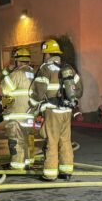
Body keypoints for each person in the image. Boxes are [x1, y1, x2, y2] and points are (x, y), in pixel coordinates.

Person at [31, 38, 82, 181]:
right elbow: (79, 90)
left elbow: (39, 92)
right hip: (67, 111)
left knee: (52, 142)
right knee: (65, 140)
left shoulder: (45, 69)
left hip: (52, 111)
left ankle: (50, 173)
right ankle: (66, 171)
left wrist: (33, 105)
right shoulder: (68, 68)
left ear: (47, 54)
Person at [0, 47, 36, 170]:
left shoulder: (16, 74)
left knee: (16, 140)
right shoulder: (34, 74)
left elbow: (3, 89)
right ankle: (27, 162)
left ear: (17, 61)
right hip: (30, 114)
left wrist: (7, 72)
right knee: (26, 139)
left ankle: (17, 166)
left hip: (17, 115)